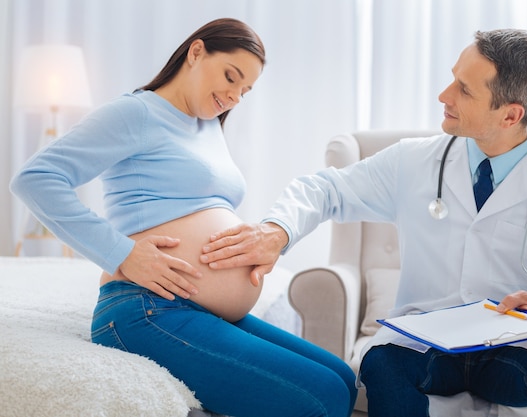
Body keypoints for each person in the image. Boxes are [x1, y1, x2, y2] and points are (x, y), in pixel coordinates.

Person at [200, 29, 527, 416]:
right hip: (425, 343)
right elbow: (326, 190)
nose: (444, 95)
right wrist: (277, 230)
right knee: (383, 364)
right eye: (453, 79)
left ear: (510, 115)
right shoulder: (413, 162)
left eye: (464, 90)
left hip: (515, 347)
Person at [11, 18, 357, 417]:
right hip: (146, 308)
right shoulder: (136, 112)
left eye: (245, 90)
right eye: (231, 76)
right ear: (196, 52)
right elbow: (35, 179)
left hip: (194, 308)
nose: (235, 96)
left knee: (343, 379)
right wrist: (121, 253)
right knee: (323, 395)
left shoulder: (207, 126)